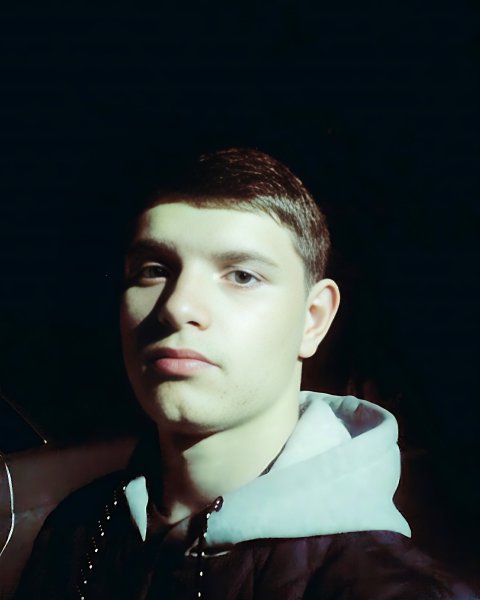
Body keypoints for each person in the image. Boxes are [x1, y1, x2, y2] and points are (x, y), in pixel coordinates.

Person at [14, 148, 476, 599]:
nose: (177, 306)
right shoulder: (75, 531)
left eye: (241, 276)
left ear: (312, 320)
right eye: (154, 270)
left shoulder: (384, 586)